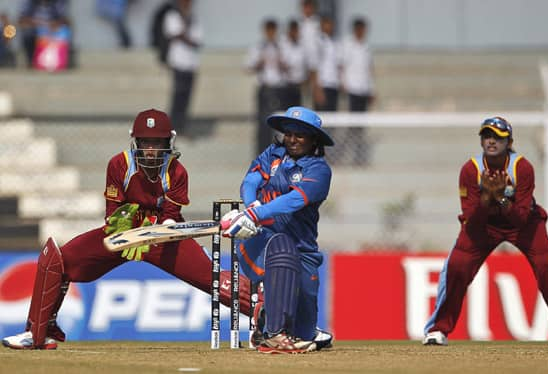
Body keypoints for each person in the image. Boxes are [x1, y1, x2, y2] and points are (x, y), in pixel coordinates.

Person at [1, 108, 258, 350]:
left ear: (168, 142)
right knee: (58, 259)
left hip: (164, 238)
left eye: (157, 143)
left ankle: (273, 319)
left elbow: (170, 216)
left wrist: (161, 229)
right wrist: (124, 229)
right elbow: (112, 212)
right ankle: (38, 332)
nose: (150, 149)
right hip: (123, 235)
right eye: (145, 142)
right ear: (135, 141)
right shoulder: (119, 165)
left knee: (213, 279)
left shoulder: (176, 171)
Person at [423, 116, 548, 346]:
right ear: (481, 141)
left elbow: (520, 218)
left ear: (509, 141)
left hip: (524, 224)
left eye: (498, 137)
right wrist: (487, 199)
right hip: (484, 224)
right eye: (487, 136)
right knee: (457, 265)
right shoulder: (471, 169)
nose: (491, 141)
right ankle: (437, 330)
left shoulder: (522, 167)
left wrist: (500, 198)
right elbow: (473, 221)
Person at [220, 106, 334, 354]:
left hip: (303, 250)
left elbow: (294, 201)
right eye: (289, 134)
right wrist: (251, 208)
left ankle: (266, 321)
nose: (292, 140)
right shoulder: (273, 154)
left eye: (300, 135)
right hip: (261, 242)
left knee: (303, 332)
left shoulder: (318, 170)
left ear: (313, 139)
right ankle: (272, 334)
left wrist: (254, 214)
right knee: (281, 245)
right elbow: (250, 181)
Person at [245, 18, 286, 157]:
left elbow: (291, 67)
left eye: (273, 30)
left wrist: (282, 63)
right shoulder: (258, 47)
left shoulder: (281, 47)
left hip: (279, 88)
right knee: (263, 123)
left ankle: (277, 152)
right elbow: (247, 67)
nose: (271, 33)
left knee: (278, 124)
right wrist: (259, 63)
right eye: (268, 30)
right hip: (264, 87)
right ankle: (262, 153)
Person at [162, 0, 202, 135]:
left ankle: (182, 126)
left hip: (191, 64)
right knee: (177, 96)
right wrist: (186, 36)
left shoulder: (194, 18)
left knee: (186, 97)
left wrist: (185, 36)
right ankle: (172, 127)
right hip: (178, 62)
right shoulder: (173, 16)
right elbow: (174, 34)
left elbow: (197, 41)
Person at [339, 16, 374, 166]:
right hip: (351, 90)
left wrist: (372, 89)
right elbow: (342, 66)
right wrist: (343, 84)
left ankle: (358, 158)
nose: (362, 32)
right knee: (351, 125)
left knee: (360, 126)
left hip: (363, 90)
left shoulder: (366, 47)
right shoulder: (348, 45)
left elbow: (368, 70)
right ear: (355, 29)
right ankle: (341, 155)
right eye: (360, 29)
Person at [18, 0, 73, 69]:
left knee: (65, 31)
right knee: (27, 32)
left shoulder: (57, 3)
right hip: (35, 29)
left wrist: (56, 24)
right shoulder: (29, 3)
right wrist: (38, 24)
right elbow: (21, 20)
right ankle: (31, 61)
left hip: (52, 31)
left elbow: (66, 20)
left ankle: (62, 61)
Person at [280, 19, 309, 108]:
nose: (294, 33)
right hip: (285, 85)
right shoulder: (282, 45)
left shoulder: (302, 46)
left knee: (297, 113)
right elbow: (281, 63)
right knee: (285, 111)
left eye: (296, 30)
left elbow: (306, 66)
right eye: (292, 30)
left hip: (298, 86)